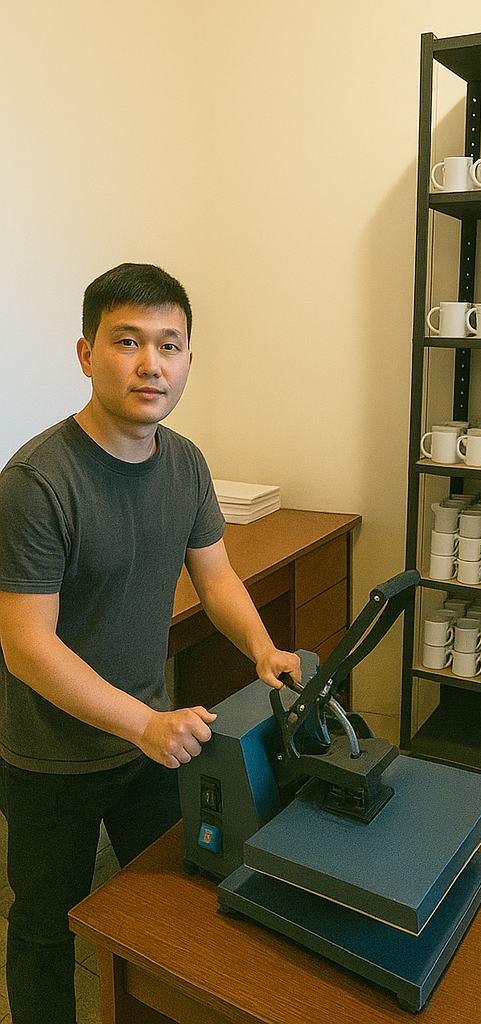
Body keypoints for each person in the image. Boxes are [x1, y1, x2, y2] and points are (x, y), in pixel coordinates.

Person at [0, 263, 301, 1024]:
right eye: (127, 341)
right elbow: (27, 647)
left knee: (169, 905)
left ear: (189, 361)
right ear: (85, 353)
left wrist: (263, 649)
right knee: (44, 924)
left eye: (169, 345)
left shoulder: (187, 463)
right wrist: (144, 724)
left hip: (149, 738)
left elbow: (218, 578)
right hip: (52, 755)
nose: (150, 363)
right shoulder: (37, 482)